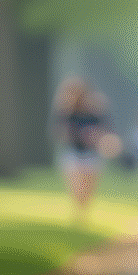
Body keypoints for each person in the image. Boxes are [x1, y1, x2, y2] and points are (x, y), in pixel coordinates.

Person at [53, 76, 111, 222]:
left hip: (91, 154)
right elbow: (59, 132)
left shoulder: (95, 110)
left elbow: (104, 130)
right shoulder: (66, 111)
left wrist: (94, 136)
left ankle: (83, 214)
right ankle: (78, 215)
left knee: (88, 189)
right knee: (77, 187)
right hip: (73, 153)